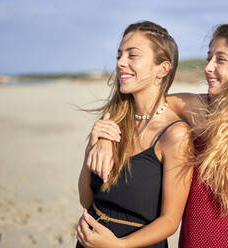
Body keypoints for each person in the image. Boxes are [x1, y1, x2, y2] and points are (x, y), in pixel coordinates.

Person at [88, 23, 228, 247]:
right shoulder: (195, 109)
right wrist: (107, 138)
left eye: (220, 59)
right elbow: (138, 103)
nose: (208, 68)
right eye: (209, 58)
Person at [76, 20, 193, 248]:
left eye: (132, 55)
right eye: (119, 55)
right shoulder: (112, 122)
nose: (120, 63)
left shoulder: (176, 135)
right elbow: (86, 199)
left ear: (163, 68)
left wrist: (118, 245)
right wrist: (91, 148)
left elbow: (170, 221)